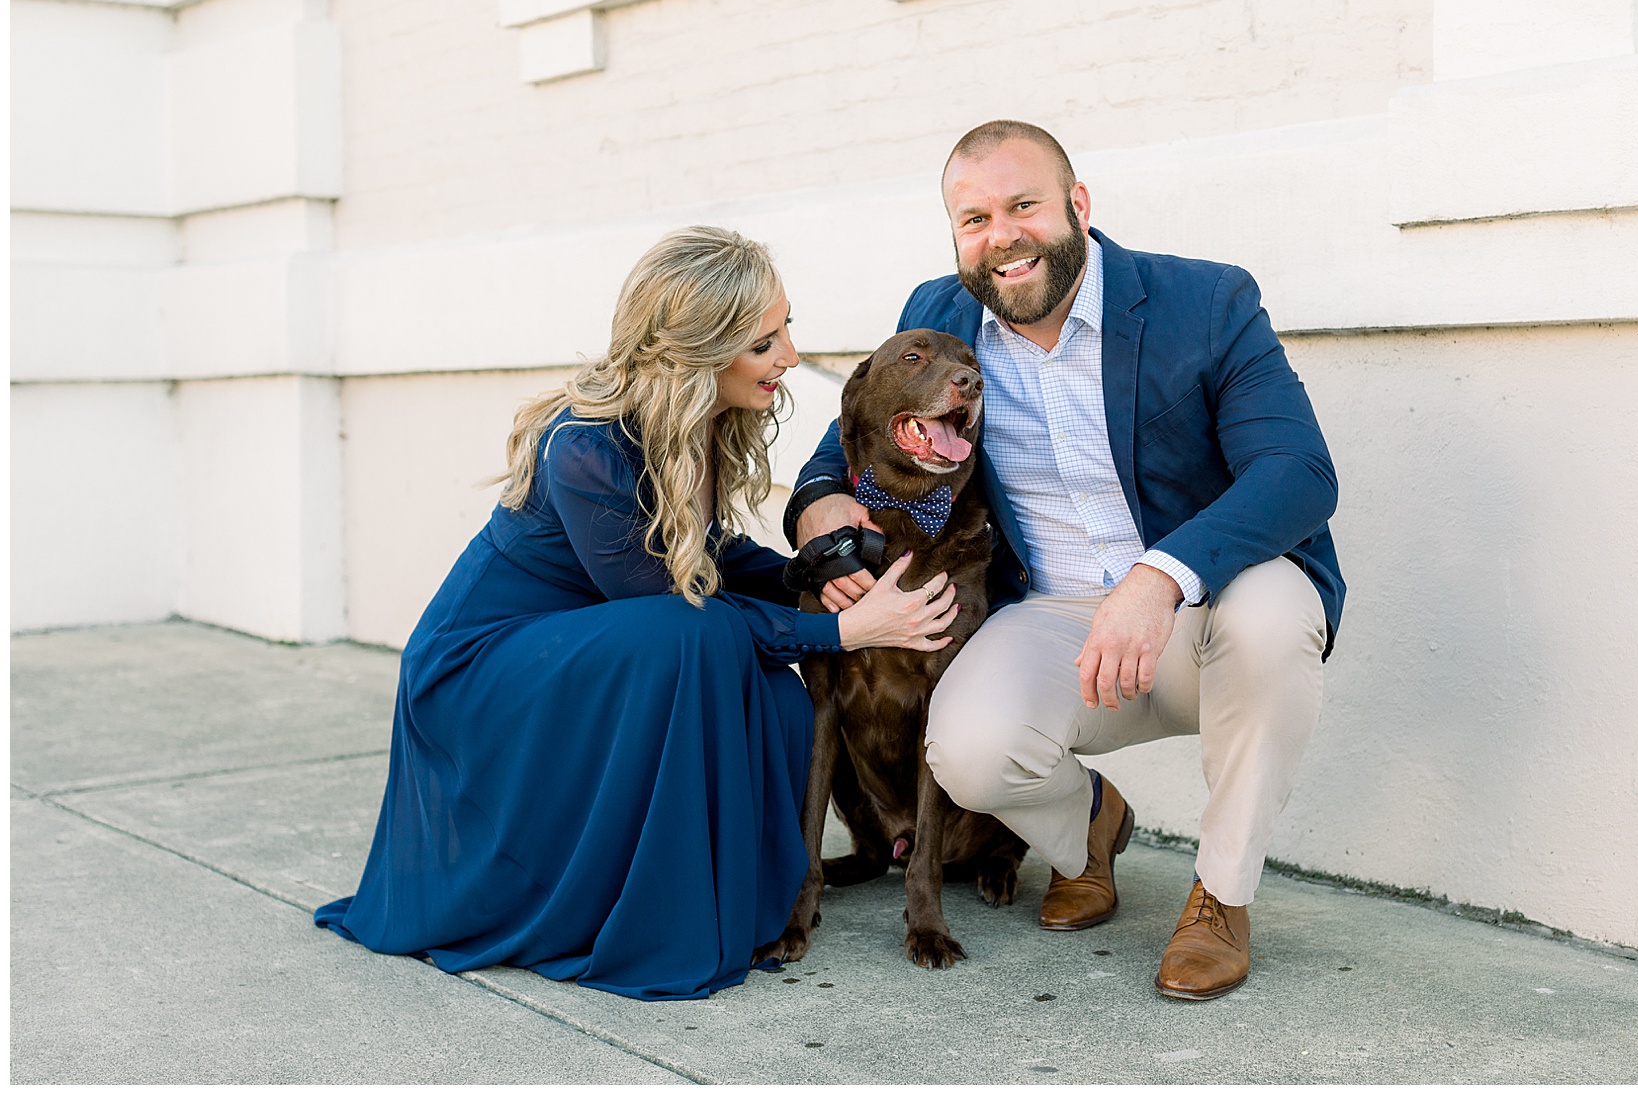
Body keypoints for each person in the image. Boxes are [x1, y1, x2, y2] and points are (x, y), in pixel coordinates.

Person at [317, 226, 959, 1002]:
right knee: (691, 636)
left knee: (781, 698)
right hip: (484, 672)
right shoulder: (584, 445)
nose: (789, 356)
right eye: (764, 343)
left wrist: (811, 571)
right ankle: (616, 907)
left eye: (786, 329)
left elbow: (708, 551)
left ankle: (725, 900)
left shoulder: (698, 420)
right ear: (698, 350)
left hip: (588, 648)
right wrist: (843, 631)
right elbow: (669, 608)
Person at [786, 121, 1345, 1001]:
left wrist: (1161, 574)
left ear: (1078, 205)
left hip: (1206, 603)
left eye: (1023, 205)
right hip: (1053, 618)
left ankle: (1221, 898)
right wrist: (818, 499)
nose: (1002, 236)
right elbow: (853, 435)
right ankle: (1089, 827)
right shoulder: (940, 315)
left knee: (1276, 612)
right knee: (966, 748)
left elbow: (1298, 471)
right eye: (975, 219)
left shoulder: (1205, 301)